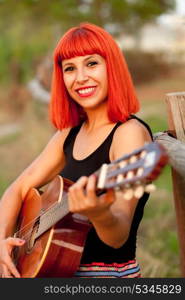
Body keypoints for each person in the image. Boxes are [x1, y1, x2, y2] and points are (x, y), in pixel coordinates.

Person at [0, 22, 153, 278]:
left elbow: (119, 234)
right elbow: (18, 187)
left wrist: (99, 212)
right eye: (70, 68)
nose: (80, 77)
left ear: (112, 67)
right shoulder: (69, 133)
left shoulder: (129, 134)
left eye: (92, 63)